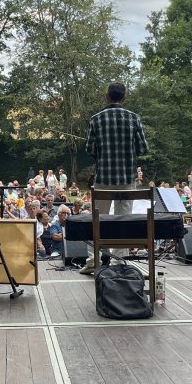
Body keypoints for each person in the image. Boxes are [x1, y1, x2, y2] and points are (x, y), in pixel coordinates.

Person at [80, 82, 149, 275]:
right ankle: (119, 263)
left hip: (103, 179)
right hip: (127, 179)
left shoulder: (96, 119)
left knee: (97, 220)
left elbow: (90, 150)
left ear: (107, 96)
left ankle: (94, 261)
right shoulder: (134, 118)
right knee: (122, 220)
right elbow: (143, 148)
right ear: (124, 97)